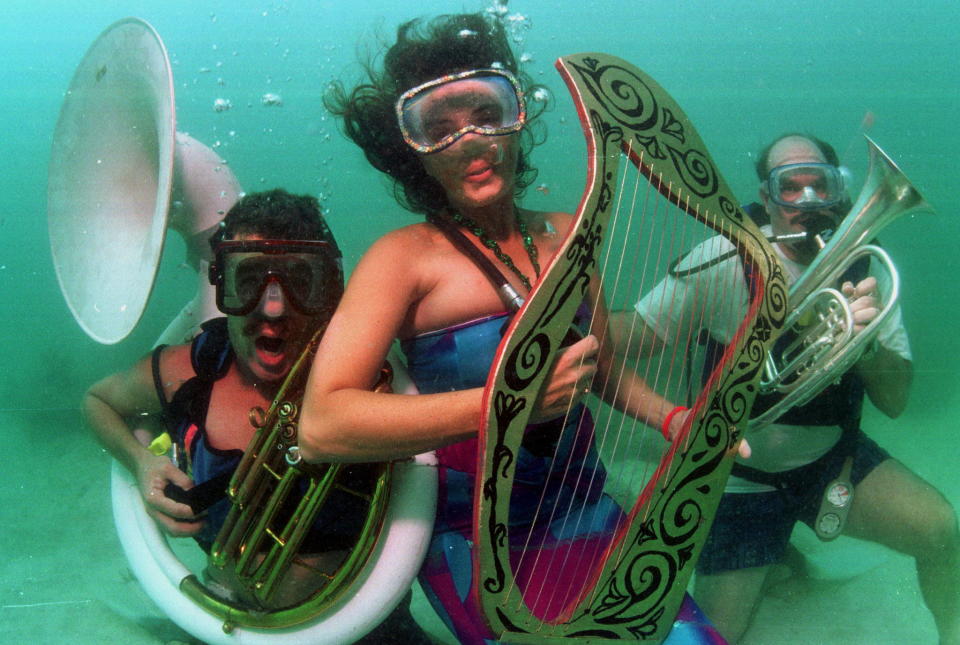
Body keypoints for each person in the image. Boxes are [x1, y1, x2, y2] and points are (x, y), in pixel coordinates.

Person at [296, 12, 728, 645]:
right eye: (437, 130)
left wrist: (671, 419)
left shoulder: (563, 233)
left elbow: (599, 365)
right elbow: (322, 424)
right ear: (409, 151)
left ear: (517, 116)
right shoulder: (401, 259)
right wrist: (508, 404)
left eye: (486, 113)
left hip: (592, 510)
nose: (470, 141)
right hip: (479, 542)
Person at [614, 133, 960, 643]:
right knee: (719, 635)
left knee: (941, 529)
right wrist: (580, 315)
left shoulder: (865, 263)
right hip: (739, 480)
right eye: (788, 186)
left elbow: (896, 399)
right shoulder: (724, 256)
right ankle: (781, 558)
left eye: (816, 184)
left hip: (831, 463)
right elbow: (640, 338)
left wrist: (863, 345)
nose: (804, 201)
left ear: (838, 192)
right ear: (766, 194)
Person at [83, 189, 428, 640]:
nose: (273, 308)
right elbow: (98, 401)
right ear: (221, 284)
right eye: (248, 281)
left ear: (326, 289)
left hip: (369, 629)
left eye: (299, 281)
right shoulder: (189, 372)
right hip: (222, 623)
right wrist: (142, 462)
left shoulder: (363, 376)